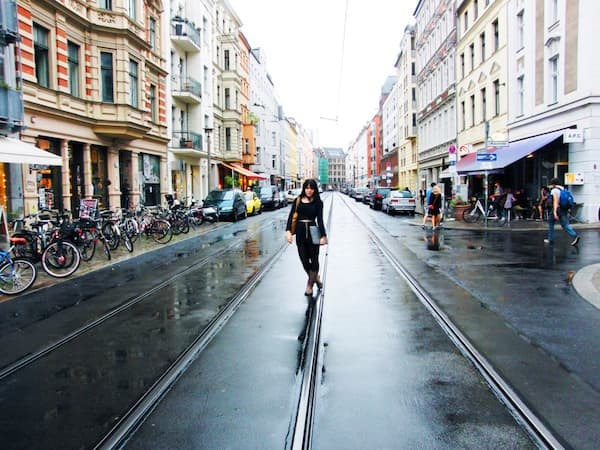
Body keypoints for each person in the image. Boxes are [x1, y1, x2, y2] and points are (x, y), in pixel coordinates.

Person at [285, 178, 328, 296]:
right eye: (307, 188)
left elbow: (320, 220)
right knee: (304, 259)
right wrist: (288, 231)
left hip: (313, 232)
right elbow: (291, 216)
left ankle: (309, 285)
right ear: (304, 188)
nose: (309, 190)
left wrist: (323, 235)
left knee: (314, 259)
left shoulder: (318, 202)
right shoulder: (297, 200)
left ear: (315, 190)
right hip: (300, 232)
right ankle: (315, 278)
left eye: (311, 188)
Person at [544, 177, 580, 246]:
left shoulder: (554, 190)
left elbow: (555, 201)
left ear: (554, 184)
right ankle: (575, 235)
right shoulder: (563, 189)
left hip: (557, 209)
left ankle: (550, 239)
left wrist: (555, 212)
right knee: (565, 224)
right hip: (564, 209)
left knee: (551, 223)